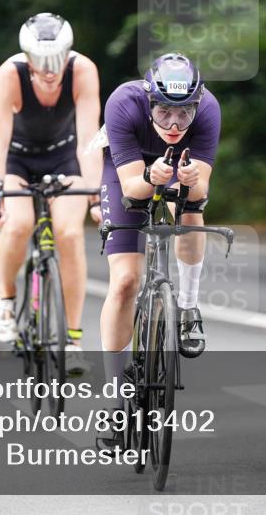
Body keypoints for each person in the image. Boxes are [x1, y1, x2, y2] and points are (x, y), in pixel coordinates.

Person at [96, 53, 221, 443]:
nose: (173, 123)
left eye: (184, 114)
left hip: (174, 173)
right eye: (165, 111)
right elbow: (134, 188)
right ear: (149, 100)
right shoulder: (123, 102)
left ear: (197, 104)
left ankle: (186, 307)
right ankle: (117, 403)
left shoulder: (210, 110)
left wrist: (188, 180)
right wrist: (152, 175)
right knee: (125, 282)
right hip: (129, 174)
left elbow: (200, 191)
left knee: (189, 211)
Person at [0, 13, 102, 376]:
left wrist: (96, 198)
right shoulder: (8, 75)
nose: (50, 71)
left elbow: (88, 141)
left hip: (64, 155)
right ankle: (4, 297)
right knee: (17, 225)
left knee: (69, 233)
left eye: (57, 60)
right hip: (17, 159)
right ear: (27, 58)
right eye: (41, 62)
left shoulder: (83, 71)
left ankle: (73, 340)